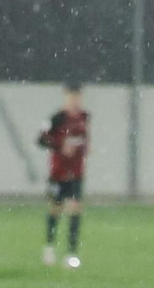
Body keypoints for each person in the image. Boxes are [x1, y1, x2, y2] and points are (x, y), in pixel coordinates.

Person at [37, 82, 89, 269]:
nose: (74, 101)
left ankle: (71, 254)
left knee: (75, 208)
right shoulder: (57, 118)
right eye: (71, 97)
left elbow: (84, 139)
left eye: (77, 97)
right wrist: (60, 146)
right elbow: (41, 139)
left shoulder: (84, 117)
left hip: (76, 173)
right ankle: (49, 247)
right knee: (55, 209)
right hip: (58, 173)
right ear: (65, 98)